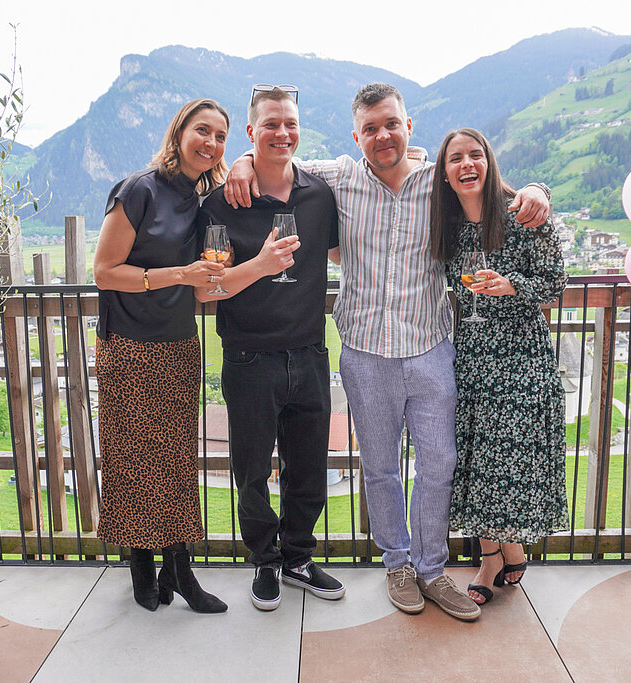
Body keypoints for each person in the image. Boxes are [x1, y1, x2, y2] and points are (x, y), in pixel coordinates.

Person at [226, 83, 550, 621]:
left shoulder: (439, 182)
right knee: (379, 468)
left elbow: (490, 182)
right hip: (365, 351)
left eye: (391, 124)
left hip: (430, 348)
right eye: (370, 128)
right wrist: (241, 160)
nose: (382, 136)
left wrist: (537, 189)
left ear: (408, 126)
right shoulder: (339, 177)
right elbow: (276, 155)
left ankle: (432, 570)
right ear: (356, 136)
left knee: (439, 463)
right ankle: (397, 565)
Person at [195, 85, 344, 611]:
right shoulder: (222, 203)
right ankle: (265, 560)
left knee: (309, 468)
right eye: (271, 124)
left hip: (310, 353)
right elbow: (207, 289)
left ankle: (298, 558)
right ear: (252, 132)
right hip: (249, 358)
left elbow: (342, 252)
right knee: (252, 471)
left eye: (290, 123)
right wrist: (260, 266)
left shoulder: (319, 196)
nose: (283, 133)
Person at [92, 98, 231, 614]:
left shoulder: (201, 199)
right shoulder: (138, 190)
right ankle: (141, 566)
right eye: (202, 131)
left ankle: (178, 568)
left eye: (220, 136)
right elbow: (104, 272)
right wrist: (181, 274)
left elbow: (203, 281)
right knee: (133, 462)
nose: (210, 143)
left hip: (178, 346)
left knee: (174, 463)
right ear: (179, 133)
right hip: (128, 347)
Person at [429, 127, 569, 605]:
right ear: (444, 174)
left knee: (508, 462)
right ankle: (498, 554)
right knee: (475, 459)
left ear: (489, 162)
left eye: (475, 155)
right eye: (455, 158)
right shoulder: (447, 225)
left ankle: (501, 552)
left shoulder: (523, 215)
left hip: (521, 357)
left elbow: (555, 285)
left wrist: (512, 286)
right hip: (470, 357)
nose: (466, 164)